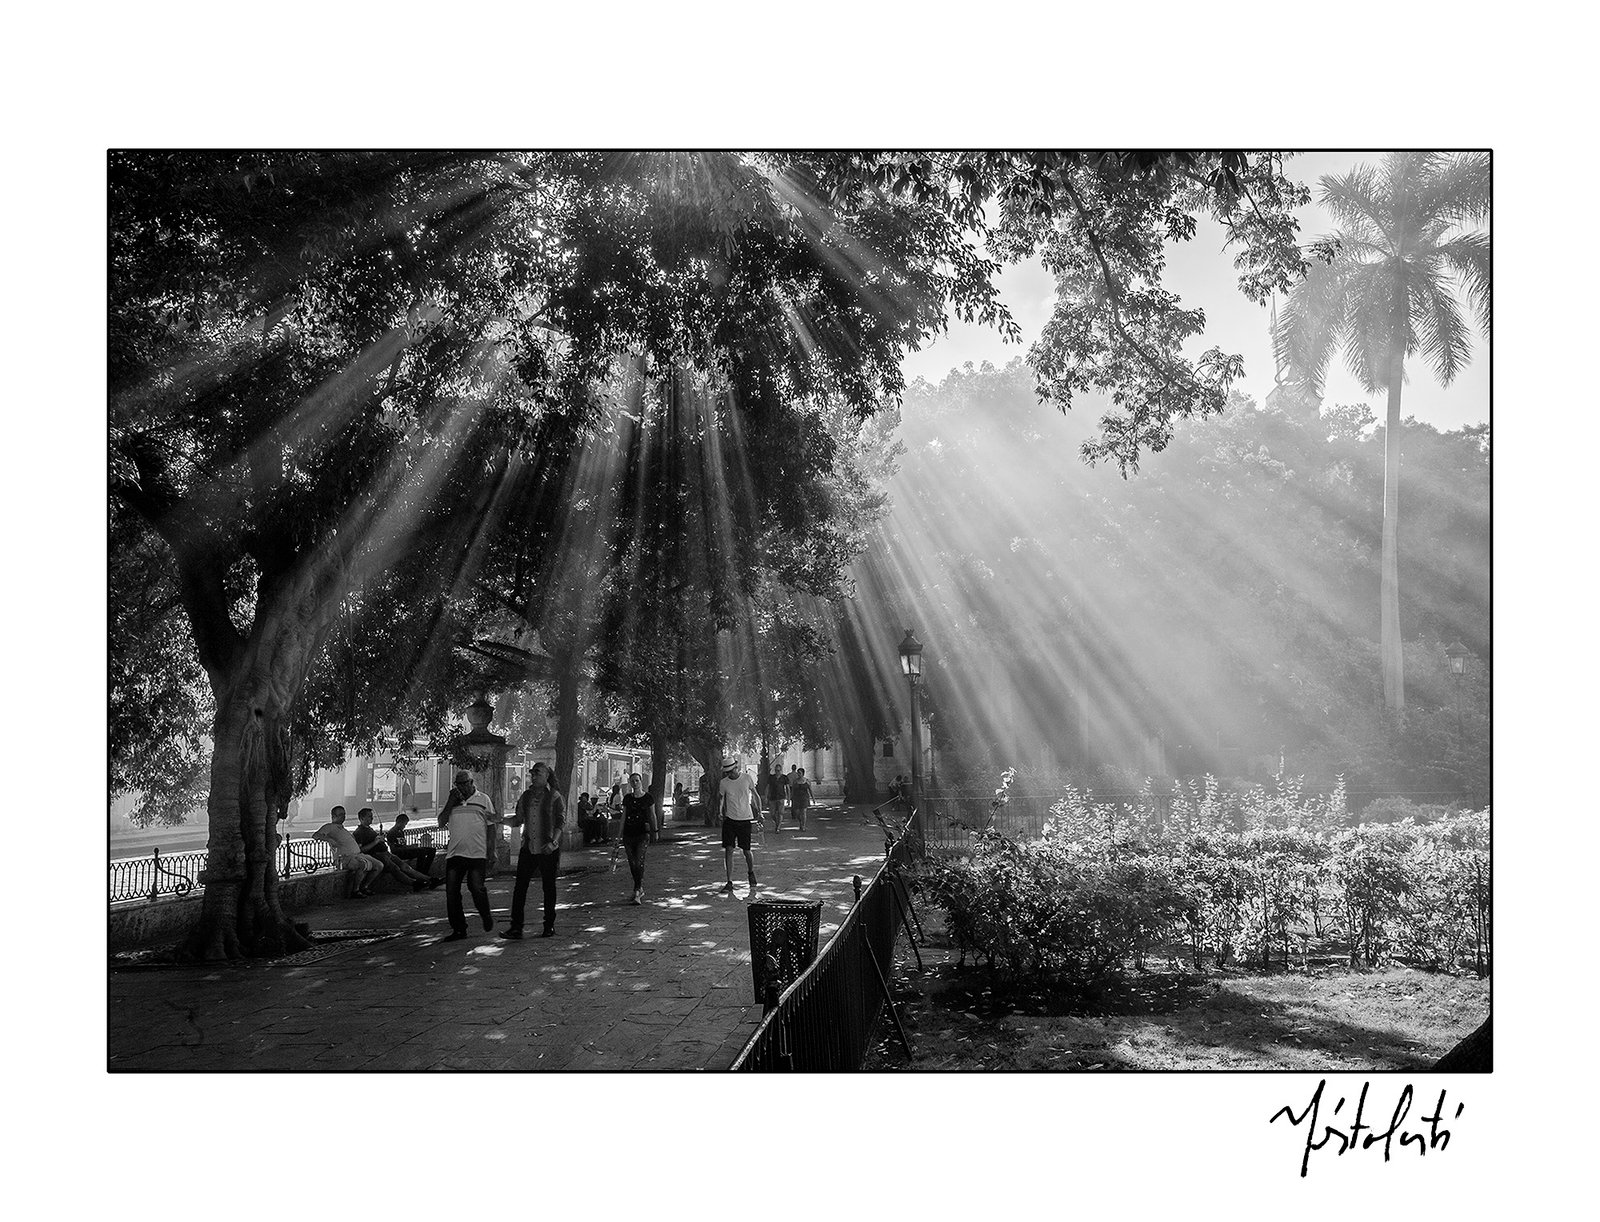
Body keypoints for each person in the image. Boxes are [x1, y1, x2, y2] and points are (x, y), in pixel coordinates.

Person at [502, 761, 566, 939]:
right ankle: (516, 927)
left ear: (547, 775)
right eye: (532, 773)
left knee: (549, 887)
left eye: (538, 773)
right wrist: (499, 820)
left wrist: (553, 842)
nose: (534, 775)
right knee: (520, 888)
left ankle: (549, 925)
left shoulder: (555, 796)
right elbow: (518, 820)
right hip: (528, 847)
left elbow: (561, 821)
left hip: (547, 848)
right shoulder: (526, 796)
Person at [438, 770, 499, 941]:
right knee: (452, 892)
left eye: (465, 783)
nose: (462, 787)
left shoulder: (483, 799)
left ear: (472, 783)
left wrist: (491, 849)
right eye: (458, 784)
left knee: (476, 888)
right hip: (455, 852)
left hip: (477, 853)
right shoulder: (453, 802)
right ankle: (458, 928)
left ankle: (485, 915)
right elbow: (441, 822)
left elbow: (491, 825)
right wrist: (451, 802)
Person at [353, 808, 438, 891]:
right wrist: (376, 842)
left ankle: (429, 879)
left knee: (405, 867)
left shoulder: (370, 829)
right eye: (369, 816)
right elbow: (361, 849)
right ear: (361, 818)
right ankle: (414, 883)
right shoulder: (359, 832)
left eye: (372, 816)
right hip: (378, 855)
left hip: (386, 853)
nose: (371, 818)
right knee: (395, 869)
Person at [313, 806, 385, 897]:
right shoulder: (329, 827)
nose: (343, 816)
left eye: (344, 814)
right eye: (340, 814)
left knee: (379, 865)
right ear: (333, 816)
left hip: (358, 854)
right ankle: (355, 890)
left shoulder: (342, 828)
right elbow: (315, 835)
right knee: (361, 865)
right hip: (345, 857)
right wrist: (329, 839)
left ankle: (364, 886)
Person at [718, 755, 762, 898]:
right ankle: (729, 881)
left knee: (746, 851)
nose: (729, 774)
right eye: (727, 772)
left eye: (731, 771)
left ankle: (750, 872)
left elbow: (755, 795)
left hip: (745, 819)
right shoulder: (724, 783)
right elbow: (721, 799)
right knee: (729, 849)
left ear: (736, 768)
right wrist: (719, 812)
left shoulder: (747, 778)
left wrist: (760, 812)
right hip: (730, 819)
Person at [619, 772, 656, 904]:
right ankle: (638, 888)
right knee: (631, 862)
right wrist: (619, 834)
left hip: (642, 833)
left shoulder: (648, 798)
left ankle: (637, 890)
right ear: (630, 782)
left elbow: (652, 815)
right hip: (628, 834)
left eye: (637, 780)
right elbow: (623, 816)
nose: (635, 783)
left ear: (641, 782)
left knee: (638, 861)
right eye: (632, 781)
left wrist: (655, 831)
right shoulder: (627, 798)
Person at [384, 811, 437, 875]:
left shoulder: (400, 832)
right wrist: (410, 847)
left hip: (405, 850)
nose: (405, 826)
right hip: (399, 853)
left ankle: (424, 871)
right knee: (421, 852)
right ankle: (421, 872)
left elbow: (403, 845)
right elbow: (394, 849)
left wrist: (410, 846)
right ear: (399, 822)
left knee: (431, 850)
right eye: (404, 824)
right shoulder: (391, 833)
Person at [789, 767, 814, 833]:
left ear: (803, 773)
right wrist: (791, 797)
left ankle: (803, 825)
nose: (798, 774)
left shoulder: (807, 781)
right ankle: (800, 822)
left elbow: (810, 790)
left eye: (799, 773)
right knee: (797, 813)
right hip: (796, 798)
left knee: (803, 812)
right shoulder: (795, 781)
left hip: (804, 798)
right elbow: (793, 790)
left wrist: (813, 798)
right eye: (798, 773)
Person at [767, 762, 789, 833]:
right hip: (772, 797)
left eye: (779, 770)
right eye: (776, 770)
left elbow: (787, 788)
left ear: (781, 770)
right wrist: (766, 796)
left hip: (781, 797)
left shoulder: (784, 778)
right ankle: (777, 823)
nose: (777, 772)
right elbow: (768, 787)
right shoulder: (771, 777)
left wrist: (788, 798)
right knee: (772, 814)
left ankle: (778, 827)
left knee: (780, 813)